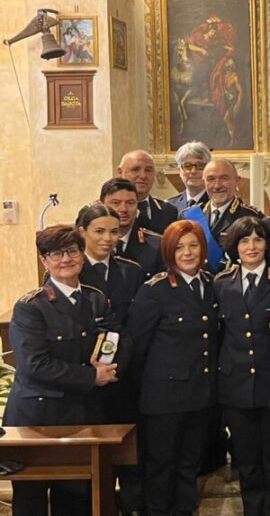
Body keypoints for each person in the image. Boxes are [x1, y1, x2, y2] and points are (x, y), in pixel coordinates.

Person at [4, 225, 121, 516]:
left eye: (71, 250)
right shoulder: (31, 307)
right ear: (44, 261)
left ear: (82, 254)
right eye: (55, 254)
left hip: (81, 416)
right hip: (37, 420)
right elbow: (34, 365)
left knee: (77, 501)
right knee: (30, 503)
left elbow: (113, 337)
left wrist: (109, 362)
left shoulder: (96, 299)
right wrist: (91, 376)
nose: (65, 259)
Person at [127, 220, 219, 516]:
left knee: (189, 464)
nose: (188, 253)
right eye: (179, 247)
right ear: (168, 252)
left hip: (200, 394)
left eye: (193, 245)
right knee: (161, 467)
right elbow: (137, 346)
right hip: (163, 398)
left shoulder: (211, 283)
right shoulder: (155, 290)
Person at [214, 217, 270, 516]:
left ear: (267, 244)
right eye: (245, 240)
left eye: (258, 239)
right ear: (235, 246)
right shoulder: (220, 284)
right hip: (236, 387)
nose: (252, 246)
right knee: (246, 461)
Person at [76, 204, 144, 515]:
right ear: (82, 233)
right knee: (92, 462)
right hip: (86, 379)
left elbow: (137, 324)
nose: (108, 239)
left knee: (129, 457)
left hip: (125, 374)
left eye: (114, 232)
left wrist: (120, 363)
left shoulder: (131, 270)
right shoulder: (72, 269)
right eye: (99, 231)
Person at [186, 159, 262, 271]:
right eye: (211, 179)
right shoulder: (188, 216)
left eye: (224, 178)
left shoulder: (251, 217)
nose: (217, 185)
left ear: (237, 181)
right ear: (204, 182)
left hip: (233, 285)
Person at [101, 177, 164, 279]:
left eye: (130, 203)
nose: (124, 209)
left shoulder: (157, 245)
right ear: (102, 205)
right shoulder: (89, 244)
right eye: (116, 203)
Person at [119, 149, 179, 234]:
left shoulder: (169, 212)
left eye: (148, 170)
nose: (143, 176)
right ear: (120, 173)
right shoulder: (108, 210)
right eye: (135, 169)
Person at [167, 141, 212, 211]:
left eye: (200, 165)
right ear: (179, 171)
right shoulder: (170, 206)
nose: (193, 171)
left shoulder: (216, 203)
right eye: (187, 166)